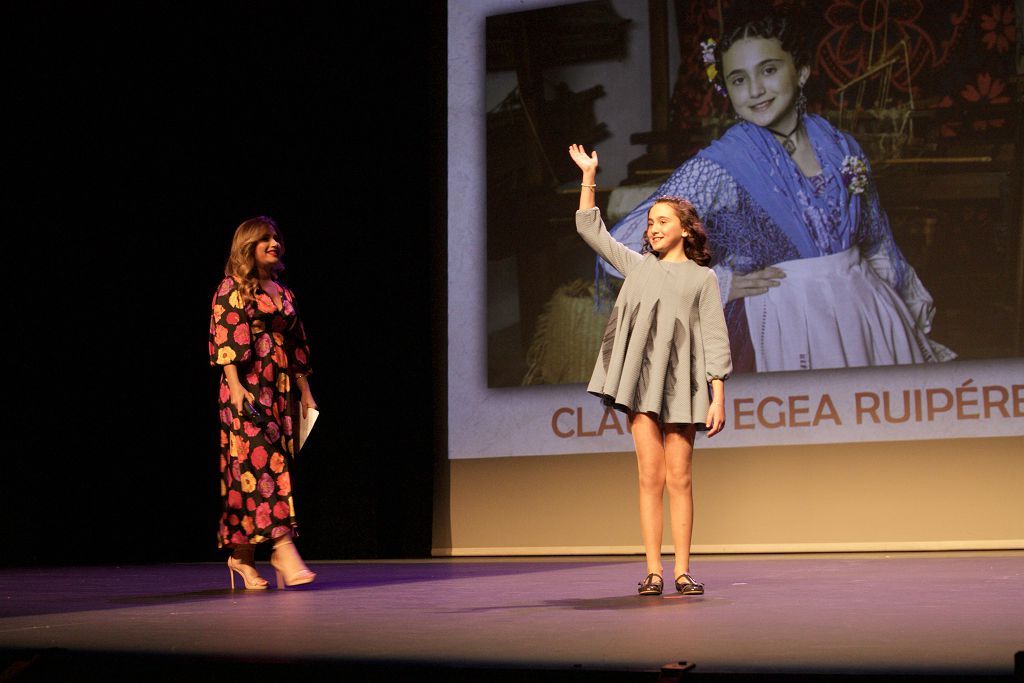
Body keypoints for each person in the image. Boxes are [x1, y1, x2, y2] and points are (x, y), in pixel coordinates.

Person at [601, 10, 954, 373]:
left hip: (867, 316)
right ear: (727, 89)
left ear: (801, 72)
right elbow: (621, 249)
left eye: (768, 70)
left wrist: (908, 315)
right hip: (788, 321)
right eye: (739, 79)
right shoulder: (723, 164)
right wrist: (719, 283)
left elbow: (878, 242)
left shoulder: (841, 146)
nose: (754, 90)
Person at [569, 143, 732, 596]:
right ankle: (654, 570)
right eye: (650, 222)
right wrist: (589, 176)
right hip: (642, 383)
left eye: (663, 221)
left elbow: (715, 338)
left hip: (683, 385)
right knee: (650, 475)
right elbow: (591, 230)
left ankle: (682, 570)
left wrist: (719, 395)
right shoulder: (637, 266)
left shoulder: (703, 278)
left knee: (680, 476)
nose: (653, 228)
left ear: (684, 229)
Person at [209, 216, 318, 589]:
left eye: (276, 237)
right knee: (264, 463)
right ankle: (282, 548)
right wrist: (235, 386)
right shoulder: (232, 288)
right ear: (248, 246)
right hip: (247, 386)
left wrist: (305, 391)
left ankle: (240, 558)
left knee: (248, 472)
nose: (274, 243)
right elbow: (225, 336)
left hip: (279, 387)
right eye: (265, 239)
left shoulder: (283, 293)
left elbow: (297, 343)